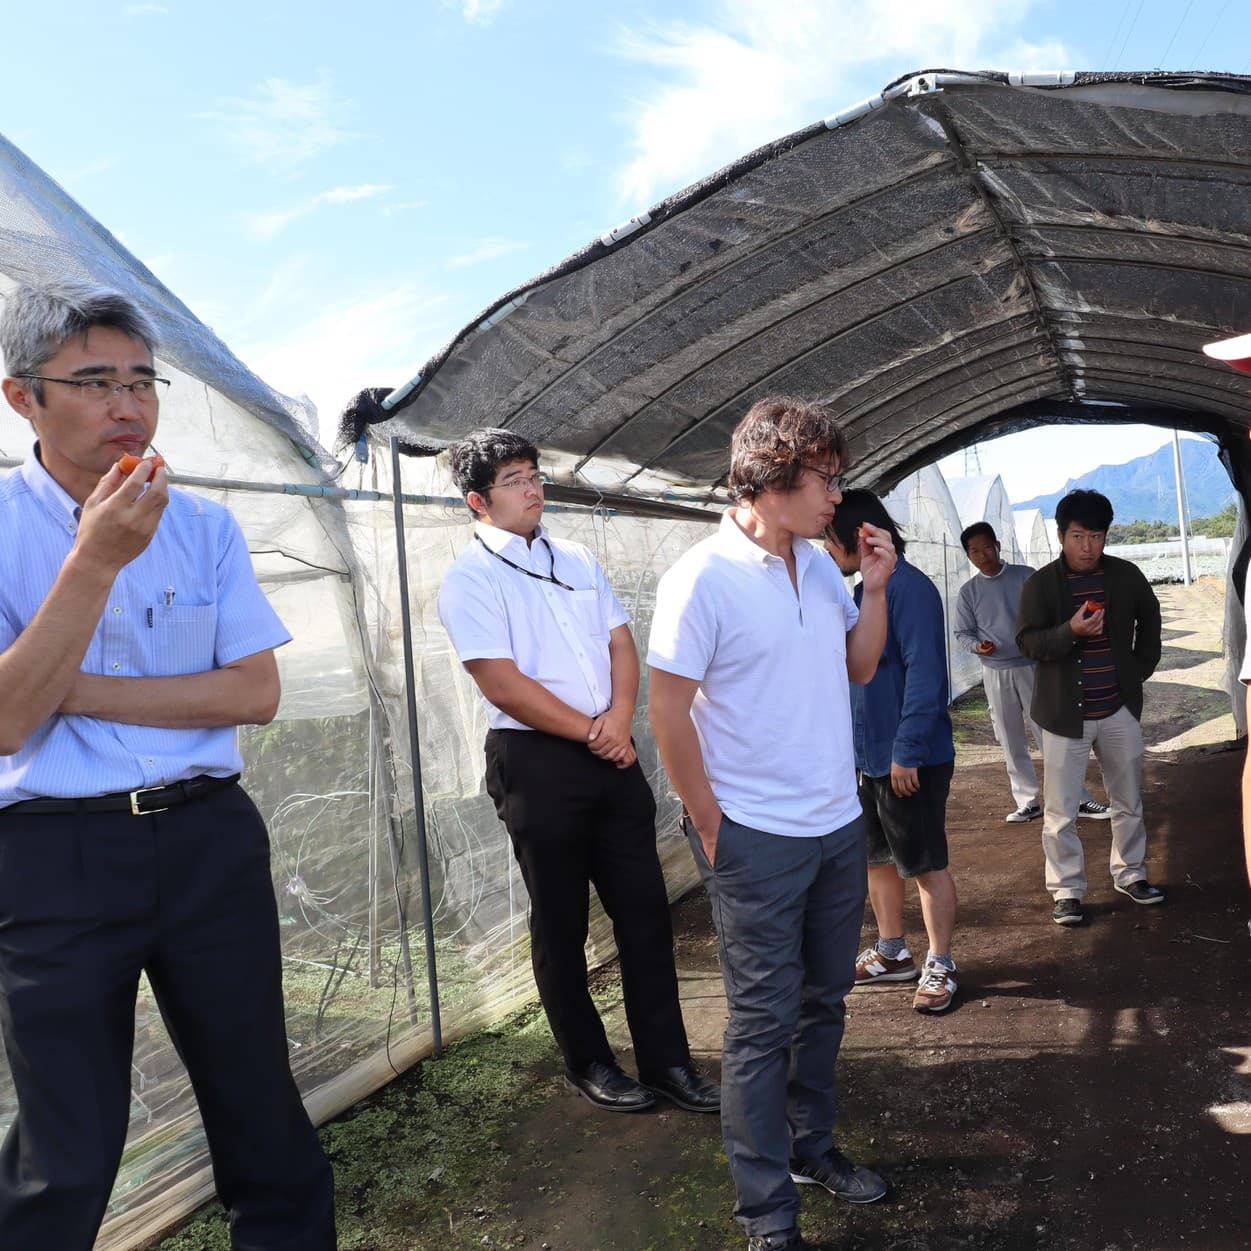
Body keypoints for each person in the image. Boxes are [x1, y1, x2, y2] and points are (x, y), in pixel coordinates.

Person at [0, 282, 335, 1250]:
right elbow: (9, 722)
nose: (128, 405)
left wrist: (67, 686)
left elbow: (253, 693)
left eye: (142, 382)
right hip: (50, 855)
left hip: (205, 837)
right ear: (23, 397)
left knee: (258, 1103)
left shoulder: (203, 526)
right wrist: (94, 559)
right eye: (95, 382)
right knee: (67, 1145)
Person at [647, 397, 893, 1251]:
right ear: (771, 475)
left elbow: (860, 665)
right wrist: (710, 822)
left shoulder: (819, 568)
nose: (837, 495)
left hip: (834, 822)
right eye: (826, 477)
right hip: (752, 833)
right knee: (760, 1021)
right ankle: (766, 1213)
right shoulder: (700, 578)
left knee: (825, 1000)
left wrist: (873, 589)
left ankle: (809, 1146)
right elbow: (666, 712)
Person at [436, 428, 717, 1116]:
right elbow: (501, 682)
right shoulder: (471, 577)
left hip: (611, 746)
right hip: (536, 759)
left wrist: (619, 720)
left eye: (534, 475)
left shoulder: (577, 559)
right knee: (560, 919)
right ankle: (588, 1061)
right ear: (478, 500)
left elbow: (621, 643)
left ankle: (668, 1061)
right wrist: (595, 732)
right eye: (514, 480)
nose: (532, 489)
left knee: (644, 910)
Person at [825, 491, 960, 1016]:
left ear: (860, 536)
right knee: (876, 858)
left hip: (910, 759)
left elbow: (926, 676)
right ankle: (892, 951)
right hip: (868, 755)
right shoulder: (865, 591)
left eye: (830, 538)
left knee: (925, 864)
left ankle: (940, 962)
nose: (826, 549)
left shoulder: (912, 590)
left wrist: (907, 751)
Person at [1016, 489, 1164, 926]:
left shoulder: (1125, 576)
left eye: (1096, 536)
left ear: (1105, 536)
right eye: (1078, 536)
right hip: (1064, 716)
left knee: (1128, 799)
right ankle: (1067, 890)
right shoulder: (1041, 584)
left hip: (1118, 709)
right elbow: (1027, 642)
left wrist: (1139, 668)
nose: (1087, 547)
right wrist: (1070, 631)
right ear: (1061, 536)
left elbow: (1150, 617)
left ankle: (1131, 873)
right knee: (1061, 811)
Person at [954, 521, 1109, 824]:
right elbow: (962, 633)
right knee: (1009, 738)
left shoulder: (1026, 577)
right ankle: (1028, 802)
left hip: (1034, 667)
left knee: (1051, 734)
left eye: (987, 547)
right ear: (968, 556)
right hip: (995, 672)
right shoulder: (969, 592)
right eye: (975, 551)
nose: (983, 555)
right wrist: (977, 646)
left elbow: (1053, 615)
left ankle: (1077, 798)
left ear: (998, 546)